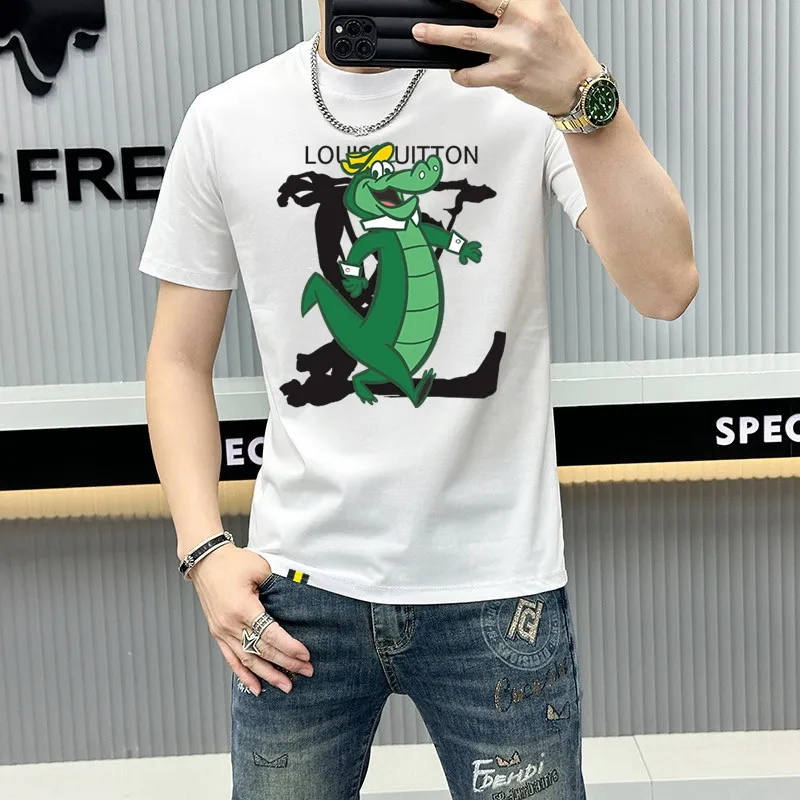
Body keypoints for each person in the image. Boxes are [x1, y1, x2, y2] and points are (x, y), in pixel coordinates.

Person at [139, 0, 698, 797]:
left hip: (495, 587)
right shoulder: (226, 118)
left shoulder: (523, 93)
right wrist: (203, 553)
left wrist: (583, 90)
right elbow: (176, 358)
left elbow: (666, 287)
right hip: (298, 587)